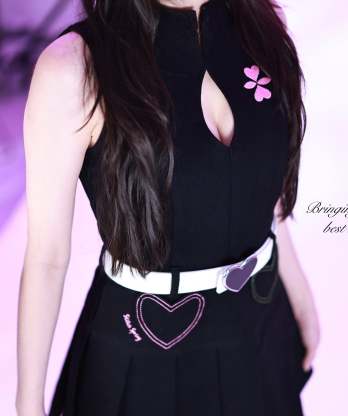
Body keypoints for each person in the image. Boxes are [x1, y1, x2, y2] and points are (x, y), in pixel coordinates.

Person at [16, 0, 320, 415]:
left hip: (261, 329)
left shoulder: (261, 26)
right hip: (142, 358)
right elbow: (47, 257)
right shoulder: (74, 69)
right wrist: (28, 403)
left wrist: (299, 291)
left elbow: (260, 189)